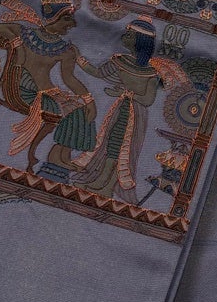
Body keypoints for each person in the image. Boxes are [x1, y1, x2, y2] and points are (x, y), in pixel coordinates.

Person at [0, 0, 96, 173]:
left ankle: (61, 155)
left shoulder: (66, 50)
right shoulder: (25, 33)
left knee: (81, 110)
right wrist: (17, 45)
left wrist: (89, 100)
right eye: (67, 18)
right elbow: (0, 27)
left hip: (45, 92)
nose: (73, 24)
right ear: (54, 17)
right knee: (68, 109)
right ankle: (53, 156)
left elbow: (69, 79)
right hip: (19, 89)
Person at [72, 16, 170, 203]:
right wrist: (79, 58)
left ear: (140, 41)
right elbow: (98, 72)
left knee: (121, 148)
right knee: (109, 142)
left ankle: (107, 186)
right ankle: (100, 181)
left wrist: (125, 93)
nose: (124, 36)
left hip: (135, 115)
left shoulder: (151, 73)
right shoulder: (120, 60)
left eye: (130, 35)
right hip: (120, 109)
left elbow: (148, 99)